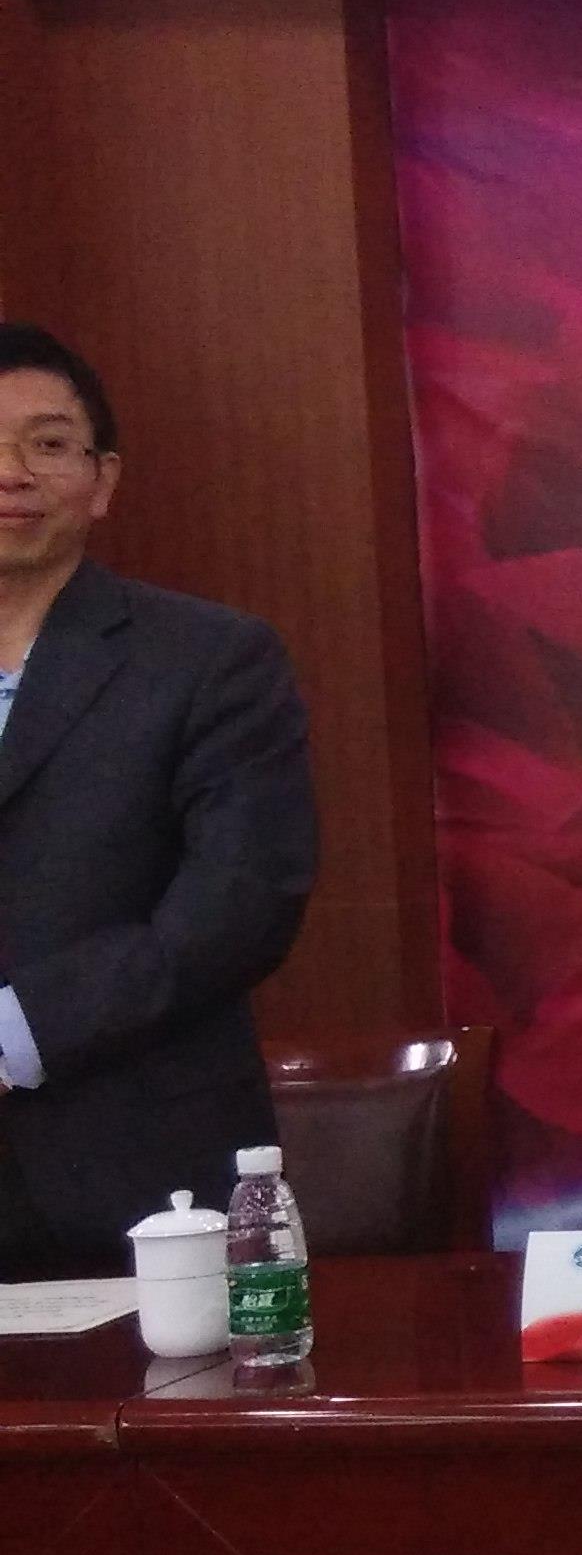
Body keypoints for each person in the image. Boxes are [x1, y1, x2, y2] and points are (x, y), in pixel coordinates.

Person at [0, 321, 317, 1278]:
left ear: (102, 480)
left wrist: (17, 1033)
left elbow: (238, 903)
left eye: (48, 443)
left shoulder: (211, 659)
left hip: (138, 1171)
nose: (11, 473)